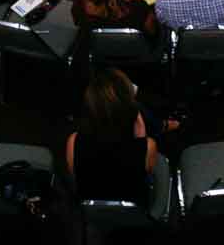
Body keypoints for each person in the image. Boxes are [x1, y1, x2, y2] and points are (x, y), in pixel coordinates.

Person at [64, 67, 160, 211]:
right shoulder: (148, 147)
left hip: (91, 216)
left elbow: (75, 178)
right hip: (133, 216)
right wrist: (142, 137)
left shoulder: (73, 142)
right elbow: (145, 173)